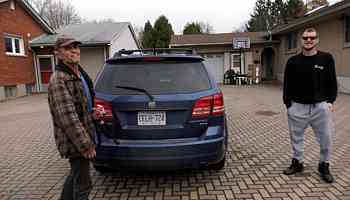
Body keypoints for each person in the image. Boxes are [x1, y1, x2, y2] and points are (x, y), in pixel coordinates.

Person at [283, 27, 338, 183]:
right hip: (297, 107)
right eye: (306, 38)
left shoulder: (326, 58)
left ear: (317, 40)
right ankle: (297, 162)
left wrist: (330, 102)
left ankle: (324, 165)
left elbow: (332, 83)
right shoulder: (292, 61)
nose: (309, 40)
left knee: (326, 138)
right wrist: (289, 105)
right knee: (296, 138)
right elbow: (287, 85)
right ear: (301, 40)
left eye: (312, 38)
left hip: (320, 107)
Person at [48, 36, 100, 199]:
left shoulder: (79, 74)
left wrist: (94, 114)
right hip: (75, 141)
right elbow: (67, 118)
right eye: (68, 48)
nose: (74, 50)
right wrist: (86, 146)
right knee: (84, 185)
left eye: (76, 47)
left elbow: (81, 110)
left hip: (83, 136)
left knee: (76, 175)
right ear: (58, 53)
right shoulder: (59, 79)